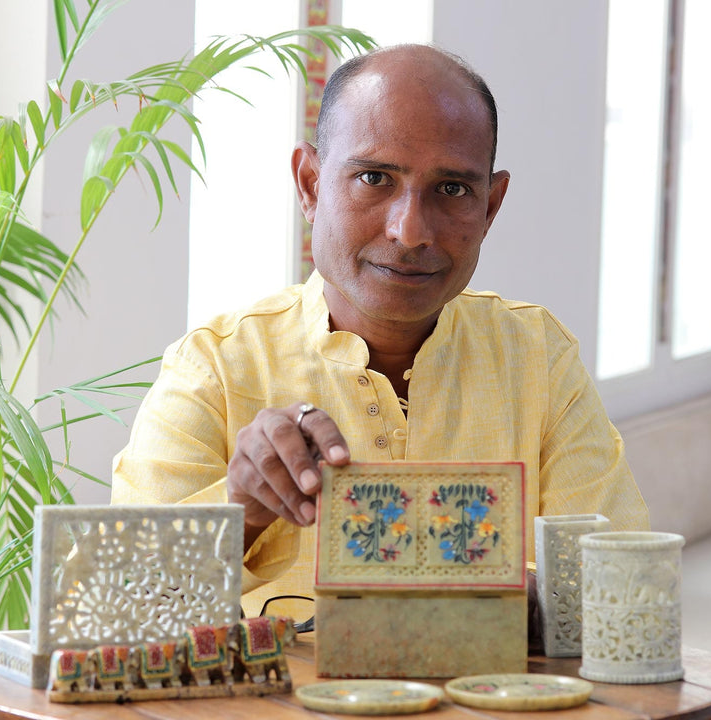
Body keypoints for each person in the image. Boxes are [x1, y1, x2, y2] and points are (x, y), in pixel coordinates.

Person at [112, 44, 649, 620]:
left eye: (451, 190)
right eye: (374, 178)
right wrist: (241, 509)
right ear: (310, 183)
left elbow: (622, 588)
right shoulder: (216, 368)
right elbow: (124, 612)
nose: (411, 230)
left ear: (490, 207)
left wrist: (434, 598)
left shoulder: (536, 356)